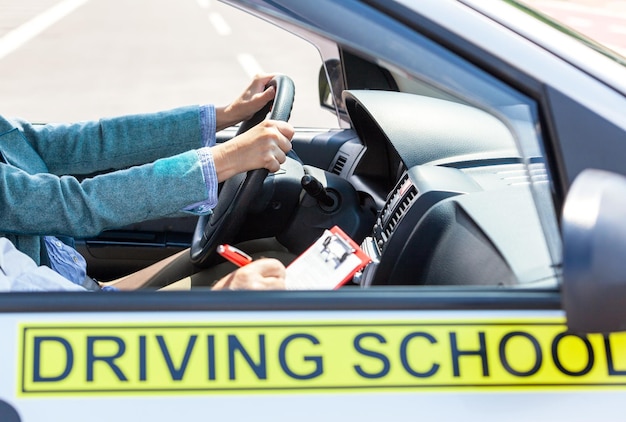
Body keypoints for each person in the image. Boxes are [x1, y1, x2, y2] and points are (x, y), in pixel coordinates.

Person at [0, 74, 292, 291]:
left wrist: (225, 115)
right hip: (68, 318)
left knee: (264, 251)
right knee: (276, 269)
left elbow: (91, 142)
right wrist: (222, 160)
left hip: (79, 288)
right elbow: (75, 204)